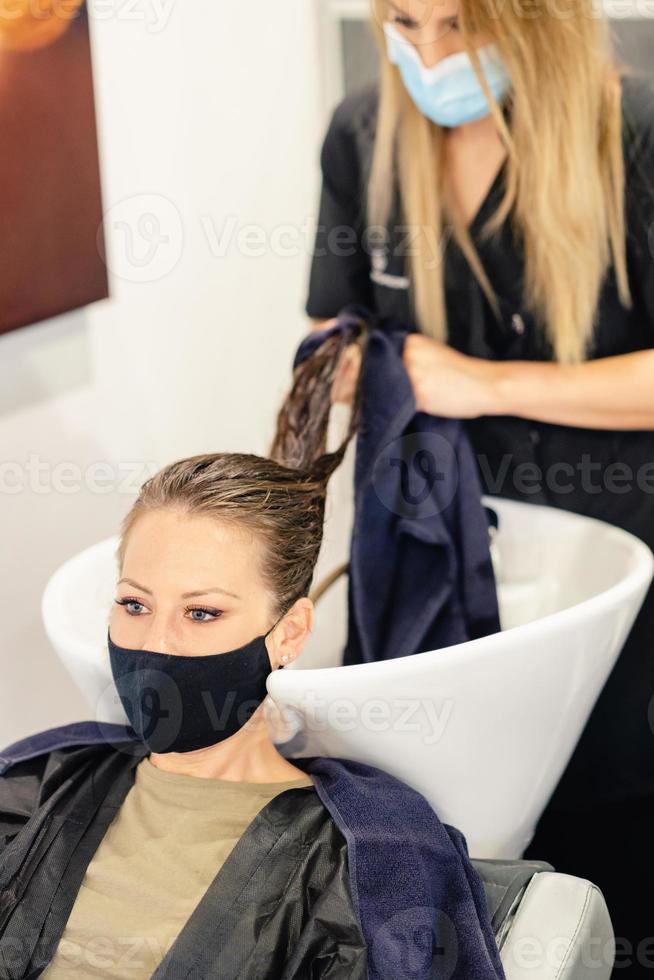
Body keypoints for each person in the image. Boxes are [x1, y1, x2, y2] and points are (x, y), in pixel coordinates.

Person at [304, 0, 654, 975]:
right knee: (444, 853)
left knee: (607, 865)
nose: (428, 56)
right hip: (429, 560)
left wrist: (484, 380)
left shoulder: (637, 139)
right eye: (405, 24)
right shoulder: (365, 135)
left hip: (614, 571)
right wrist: (349, 370)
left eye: (459, 26)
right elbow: (340, 332)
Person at [0, 332, 505, 980]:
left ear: (290, 633)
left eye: (202, 613)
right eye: (134, 604)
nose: (156, 644)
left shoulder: (361, 855)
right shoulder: (47, 784)